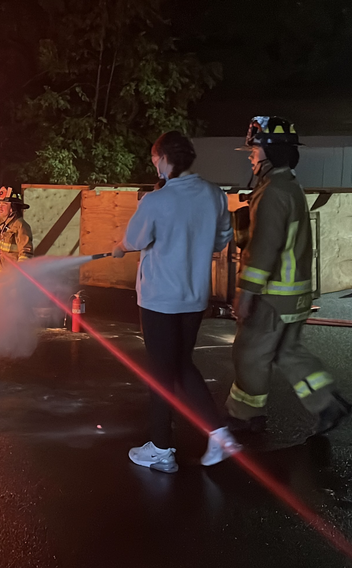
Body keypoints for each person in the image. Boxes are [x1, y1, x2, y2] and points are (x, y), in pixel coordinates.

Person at [113, 132, 240, 473]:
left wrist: (121, 245)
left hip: (159, 299)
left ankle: (160, 447)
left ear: (165, 159)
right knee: (181, 365)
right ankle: (219, 434)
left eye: (156, 161)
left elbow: (137, 239)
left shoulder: (156, 201)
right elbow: (223, 238)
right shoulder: (214, 194)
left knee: (160, 372)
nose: (156, 168)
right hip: (194, 297)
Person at [224, 116, 352, 436]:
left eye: (254, 150)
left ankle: (245, 416)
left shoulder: (271, 193)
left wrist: (245, 293)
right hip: (294, 295)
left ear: (268, 152)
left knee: (249, 352)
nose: (250, 156)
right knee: (287, 352)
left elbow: (263, 250)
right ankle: (326, 404)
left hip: (272, 296)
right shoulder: (289, 187)